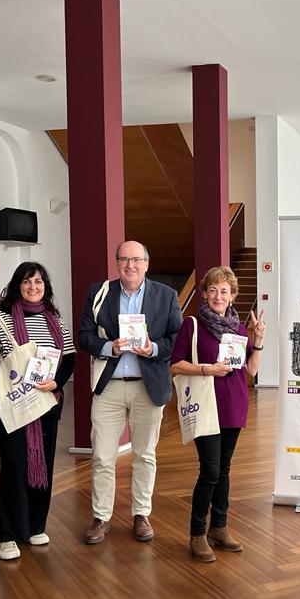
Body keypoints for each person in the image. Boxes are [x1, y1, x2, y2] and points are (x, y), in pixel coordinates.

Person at [78, 240, 182, 545]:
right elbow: (84, 336)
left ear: (147, 264)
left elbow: (177, 338)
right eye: (124, 259)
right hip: (109, 386)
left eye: (136, 260)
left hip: (148, 386)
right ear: (117, 263)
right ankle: (101, 517)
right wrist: (108, 347)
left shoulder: (166, 295)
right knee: (102, 456)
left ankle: (141, 514)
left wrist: (154, 349)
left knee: (144, 454)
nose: (130, 265)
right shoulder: (100, 293)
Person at [0, 262, 76, 560]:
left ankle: (35, 526)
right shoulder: (0, 320)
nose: (33, 287)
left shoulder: (55, 320)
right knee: (14, 465)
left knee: (43, 464)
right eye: (27, 281)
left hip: (46, 405)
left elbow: (69, 358)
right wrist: (6, 394)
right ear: (17, 285)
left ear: (46, 286)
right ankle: (8, 535)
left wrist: (56, 382)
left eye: (38, 282)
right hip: (13, 408)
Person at [169, 267, 266, 561]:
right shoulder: (192, 325)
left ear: (233, 295)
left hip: (234, 405)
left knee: (224, 469)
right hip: (206, 405)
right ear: (204, 293)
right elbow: (175, 364)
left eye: (224, 291)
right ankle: (197, 533)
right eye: (213, 290)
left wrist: (259, 339)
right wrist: (206, 369)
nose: (218, 296)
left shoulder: (239, 330)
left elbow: (251, 370)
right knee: (210, 470)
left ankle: (219, 528)